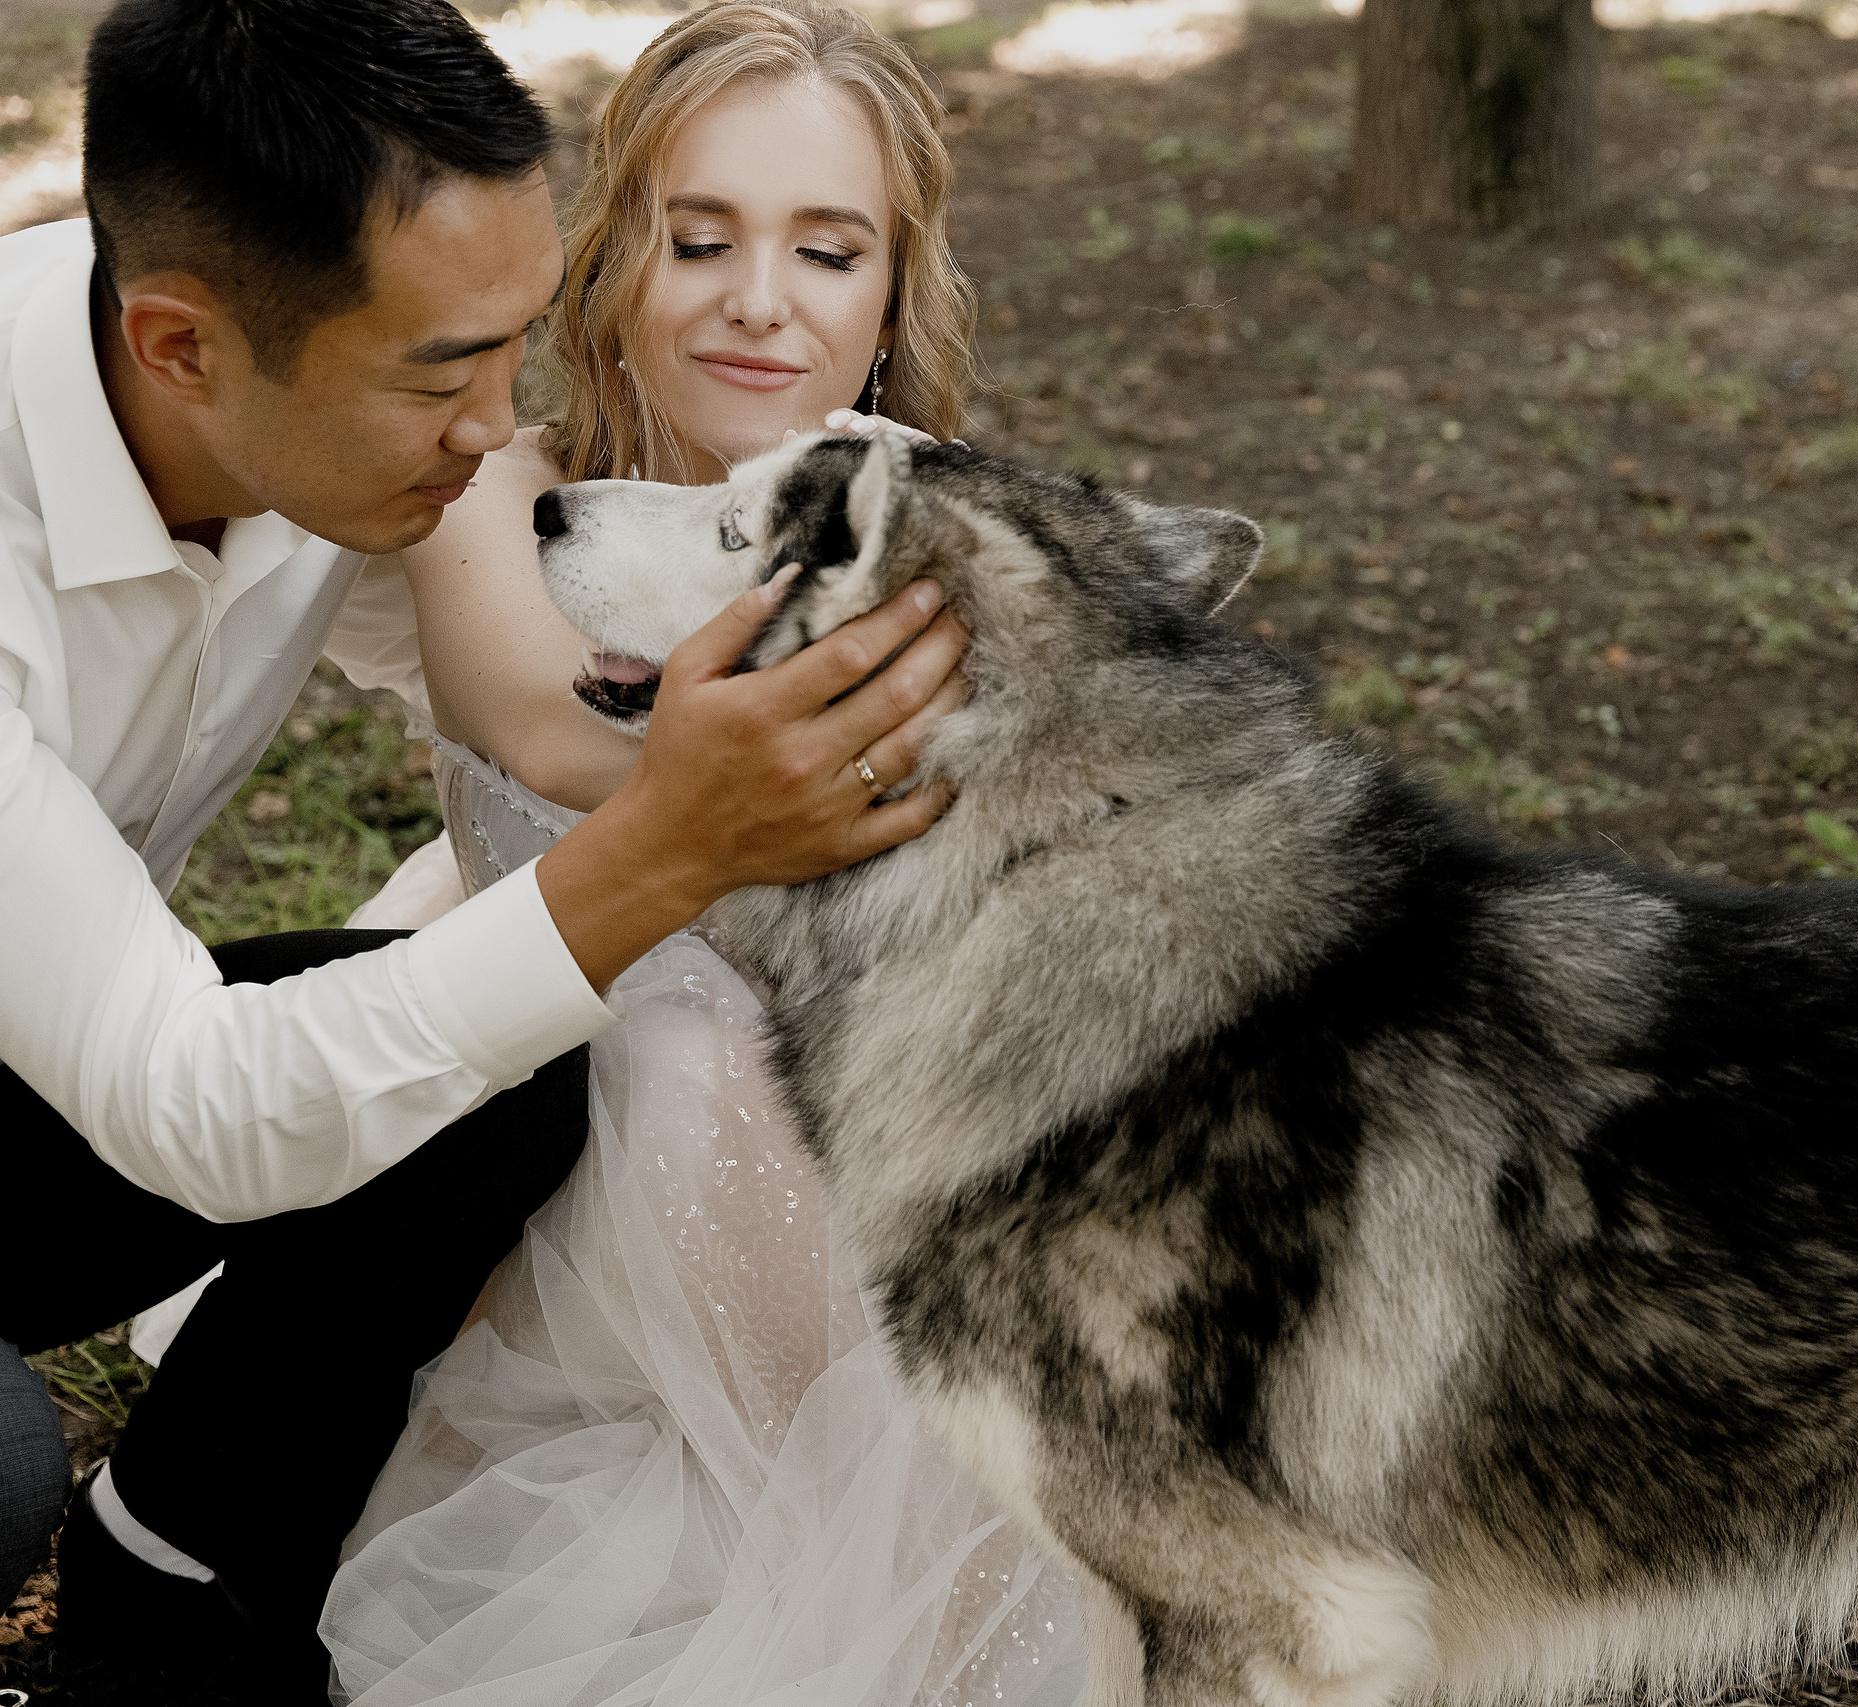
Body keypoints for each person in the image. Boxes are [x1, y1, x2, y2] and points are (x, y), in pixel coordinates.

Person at [0, 0, 966, 1696]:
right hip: (89, 1084)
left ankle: (176, 1558)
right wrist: (677, 837)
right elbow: (201, 1107)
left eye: (513, 342)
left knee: (487, 1061)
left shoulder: (303, 361)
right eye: (446, 372)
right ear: (180, 352)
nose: (489, 434)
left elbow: (523, 648)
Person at [308, 6, 1088, 1704]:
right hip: (573, 1056)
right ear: (615, 261)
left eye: (827, 249)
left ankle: (956, 1566)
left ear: (891, 294)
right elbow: (551, 737)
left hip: (879, 1079)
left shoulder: (935, 514)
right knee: (704, 1065)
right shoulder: (496, 495)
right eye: (702, 237)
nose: (760, 298)